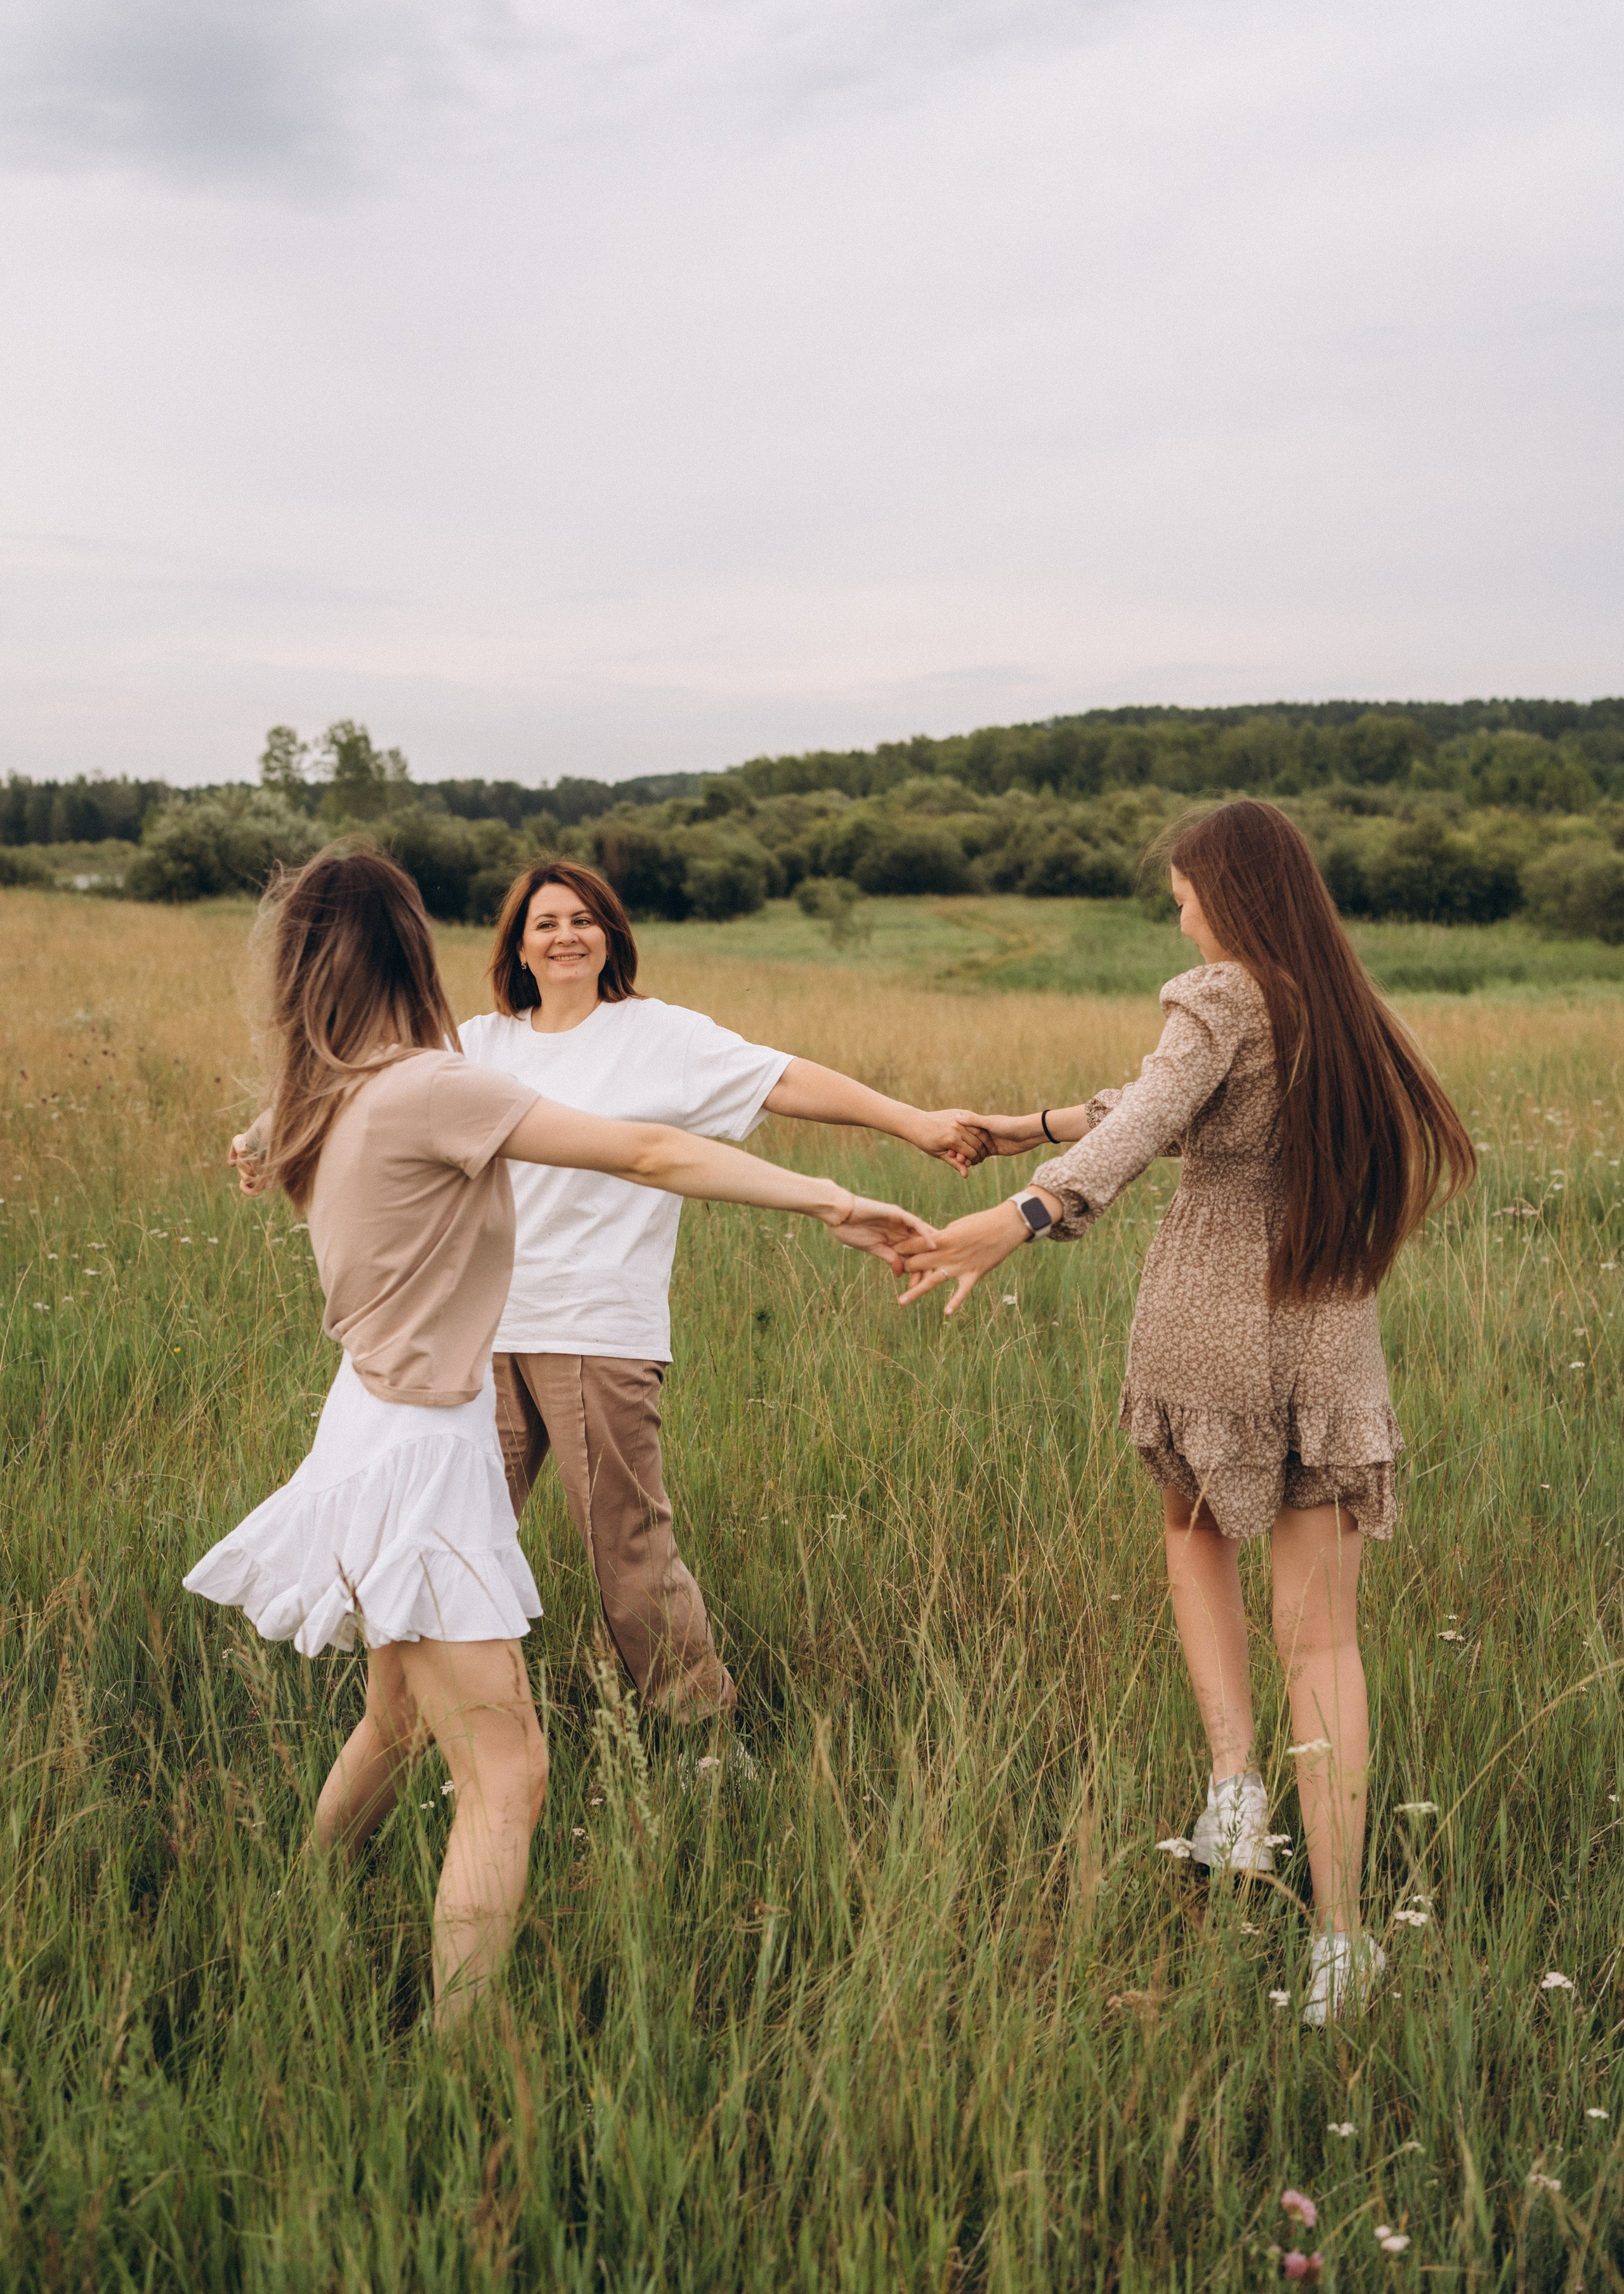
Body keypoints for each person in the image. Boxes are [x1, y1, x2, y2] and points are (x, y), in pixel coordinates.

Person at [187, 845, 934, 2026]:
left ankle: (295, 1903)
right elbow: (645, 1149)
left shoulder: (336, 1092)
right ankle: (460, 2056)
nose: (562, 935)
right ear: (411, 951)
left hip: (370, 1429)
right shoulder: (437, 1083)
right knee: (511, 1775)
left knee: (394, 1716)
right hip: (424, 1453)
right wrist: (830, 1199)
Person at [895, 800, 1476, 2026]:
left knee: (1195, 1535)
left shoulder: (1217, 993)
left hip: (1211, 1321)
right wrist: (1033, 1127)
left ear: (1226, 892)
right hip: (1326, 1332)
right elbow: (1159, 1100)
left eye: (1183, 894)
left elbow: (1164, 1111)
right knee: (1325, 1643)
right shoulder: (1349, 1005)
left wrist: (1025, 1214)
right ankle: (1341, 1941)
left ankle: (1232, 1783)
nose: (1182, 911)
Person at [457, 858, 989, 1723]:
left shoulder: (656, 1034)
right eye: (546, 921)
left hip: (597, 1324)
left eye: (585, 919)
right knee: (452, 1530)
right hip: (479, 1331)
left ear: (612, 936)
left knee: (625, 1550)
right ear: (517, 943)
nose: (566, 935)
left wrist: (914, 1121)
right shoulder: (481, 1044)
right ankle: (454, 1717)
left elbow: (783, 1079)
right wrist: (270, 1132)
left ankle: (705, 1732)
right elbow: (379, 1095)